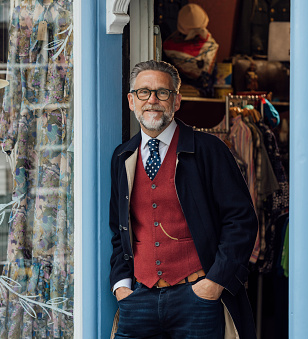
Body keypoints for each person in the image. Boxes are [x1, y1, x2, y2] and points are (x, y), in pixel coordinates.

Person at [109, 60, 258, 339]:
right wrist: (121, 286)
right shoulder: (122, 156)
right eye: (143, 92)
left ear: (176, 101)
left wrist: (214, 283)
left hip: (197, 298)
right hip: (138, 298)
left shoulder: (209, 150)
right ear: (131, 101)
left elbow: (241, 221)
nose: (152, 100)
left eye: (162, 93)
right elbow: (118, 230)